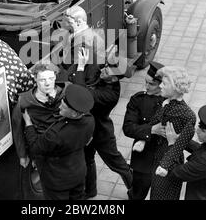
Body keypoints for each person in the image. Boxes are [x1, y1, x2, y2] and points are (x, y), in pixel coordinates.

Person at [69, 45, 133, 199]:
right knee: (88, 159)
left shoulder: (110, 94)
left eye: (108, 70)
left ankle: (135, 189)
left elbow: (81, 93)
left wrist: (81, 66)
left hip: (100, 132)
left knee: (116, 164)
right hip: (87, 129)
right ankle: (90, 191)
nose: (103, 70)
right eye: (106, 66)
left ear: (115, 78)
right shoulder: (103, 72)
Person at [22, 84, 95, 200]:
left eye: (64, 107)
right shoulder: (89, 120)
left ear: (74, 114)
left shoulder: (56, 135)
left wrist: (28, 124)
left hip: (57, 180)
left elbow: (35, 147)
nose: (60, 106)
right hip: (78, 173)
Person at [163, 105, 206, 200]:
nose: (197, 131)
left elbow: (174, 173)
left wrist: (171, 144)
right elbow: (201, 150)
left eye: (203, 131)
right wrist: (181, 140)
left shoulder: (204, 163)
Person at [149, 66, 196, 200]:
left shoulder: (188, 116)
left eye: (164, 83)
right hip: (157, 155)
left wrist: (165, 165)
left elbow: (180, 144)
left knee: (165, 196)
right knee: (155, 194)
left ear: (175, 87)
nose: (161, 86)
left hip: (171, 162)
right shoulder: (166, 103)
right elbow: (153, 122)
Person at [11, 62, 69, 168]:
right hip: (42, 151)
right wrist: (22, 155)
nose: (47, 83)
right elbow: (17, 129)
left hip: (65, 148)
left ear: (55, 77)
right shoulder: (24, 101)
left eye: (51, 78)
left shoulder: (67, 92)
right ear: (35, 79)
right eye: (43, 80)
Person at [123, 61, 166, 200]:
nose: (146, 86)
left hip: (163, 155)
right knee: (138, 192)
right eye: (145, 82)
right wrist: (151, 129)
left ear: (162, 84)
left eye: (151, 84)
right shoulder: (138, 100)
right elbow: (128, 128)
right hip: (144, 156)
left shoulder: (171, 102)